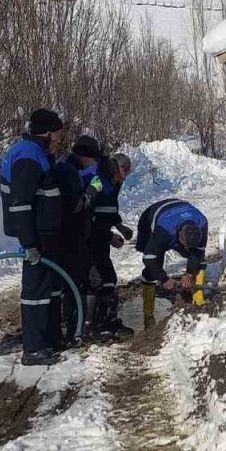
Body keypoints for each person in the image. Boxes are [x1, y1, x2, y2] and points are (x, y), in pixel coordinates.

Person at [0, 108, 66, 366]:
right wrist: (29, 244)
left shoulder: (36, 152)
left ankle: (47, 339)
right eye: (57, 135)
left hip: (44, 233)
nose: (59, 140)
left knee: (47, 288)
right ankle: (34, 348)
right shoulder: (27, 156)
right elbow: (20, 204)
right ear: (48, 133)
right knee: (35, 290)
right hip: (36, 235)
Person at [74, 136, 134, 338]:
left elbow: (108, 210)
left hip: (100, 238)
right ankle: (90, 326)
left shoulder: (112, 183)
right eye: (120, 177)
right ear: (114, 170)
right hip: (87, 239)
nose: (121, 181)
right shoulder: (97, 179)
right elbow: (89, 216)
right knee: (96, 280)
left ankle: (106, 321)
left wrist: (119, 225)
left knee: (108, 278)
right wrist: (109, 235)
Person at [51, 137, 94, 347]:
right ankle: (73, 328)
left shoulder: (65, 165)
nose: (92, 163)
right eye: (91, 159)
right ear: (85, 156)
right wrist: (91, 193)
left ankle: (70, 326)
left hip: (67, 235)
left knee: (69, 280)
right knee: (73, 281)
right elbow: (76, 204)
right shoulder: (68, 171)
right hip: (70, 236)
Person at [135, 198, 208, 317]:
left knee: (199, 259)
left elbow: (198, 253)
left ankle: (198, 299)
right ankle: (148, 312)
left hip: (180, 212)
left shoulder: (202, 222)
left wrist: (189, 274)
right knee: (153, 262)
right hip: (152, 216)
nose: (186, 248)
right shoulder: (164, 231)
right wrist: (164, 279)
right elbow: (149, 258)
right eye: (184, 245)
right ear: (179, 236)